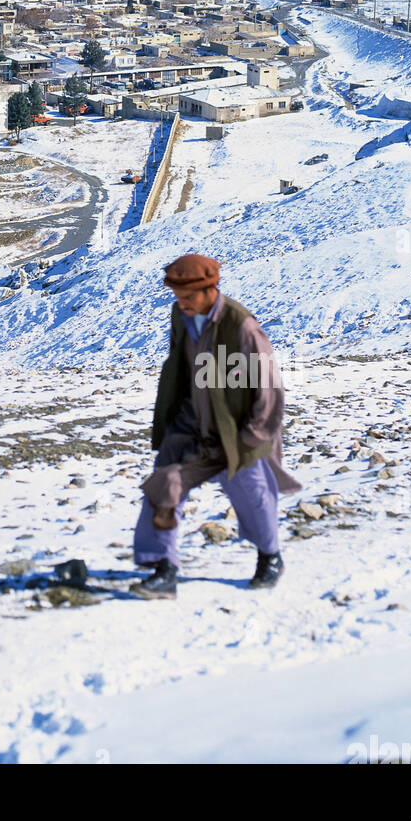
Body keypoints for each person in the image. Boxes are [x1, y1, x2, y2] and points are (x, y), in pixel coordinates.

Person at [131, 252, 301, 599]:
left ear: (211, 289)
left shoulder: (240, 325)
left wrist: (251, 438)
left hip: (238, 429)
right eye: (178, 297)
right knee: (164, 484)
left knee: (253, 492)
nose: (183, 303)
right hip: (192, 425)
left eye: (189, 296)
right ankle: (164, 568)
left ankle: (270, 557)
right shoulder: (182, 314)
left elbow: (268, 386)